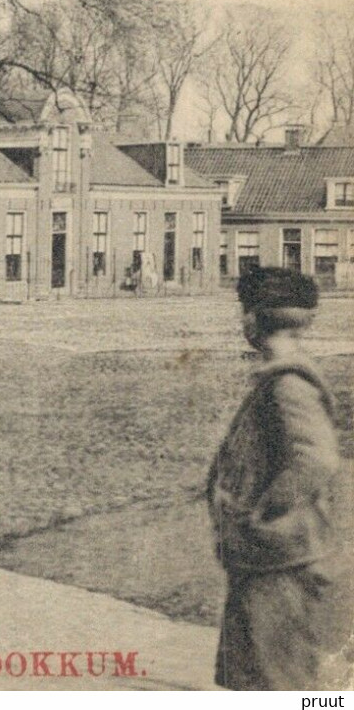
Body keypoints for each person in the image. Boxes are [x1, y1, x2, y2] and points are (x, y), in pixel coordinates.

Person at [207, 266, 351, 690]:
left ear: (252, 320)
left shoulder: (287, 384)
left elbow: (318, 459)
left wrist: (263, 509)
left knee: (276, 680)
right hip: (271, 555)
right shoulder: (284, 377)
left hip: (281, 557)